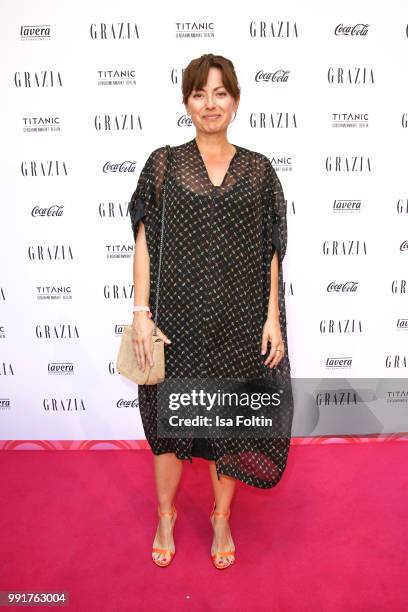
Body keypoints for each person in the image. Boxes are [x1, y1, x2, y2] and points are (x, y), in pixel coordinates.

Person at [128, 53, 293, 569]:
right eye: (199, 94)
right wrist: (140, 312)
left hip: (239, 324)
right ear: (187, 104)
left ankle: (221, 517)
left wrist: (272, 318)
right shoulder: (164, 164)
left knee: (229, 425)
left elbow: (271, 248)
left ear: (236, 101)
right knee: (169, 427)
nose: (210, 103)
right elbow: (144, 243)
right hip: (175, 323)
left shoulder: (260, 171)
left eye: (220, 93)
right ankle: (166, 514)